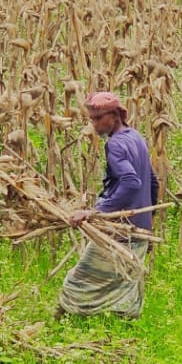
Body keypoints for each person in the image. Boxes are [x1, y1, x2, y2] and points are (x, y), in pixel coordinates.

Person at [58, 91, 158, 320]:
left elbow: (132, 182)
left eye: (98, 118)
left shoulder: (115, 145)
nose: (93, 124)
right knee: (126, 282)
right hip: (139, 228)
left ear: (114, 116)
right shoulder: (136, 137)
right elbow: (152, 181)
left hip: (119, 228)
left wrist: (95, 212)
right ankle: (123, 329)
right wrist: (148, 222)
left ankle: (61, 322)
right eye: (91, 119)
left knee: (79, 280)